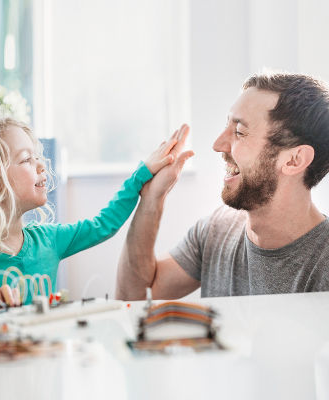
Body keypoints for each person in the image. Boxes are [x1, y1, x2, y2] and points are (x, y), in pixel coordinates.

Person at [0, 118, 192, 308]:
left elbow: (104, 224)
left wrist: (142, 174)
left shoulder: (49, 240)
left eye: (37, 157)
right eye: (26, 159)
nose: (42, 166)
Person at [116, 71, 329, 300]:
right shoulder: (217, 230)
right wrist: (152, 199)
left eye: (239, 132)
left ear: (294, 160)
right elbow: (135, 298)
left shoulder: (322, 265)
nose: (218, 145)